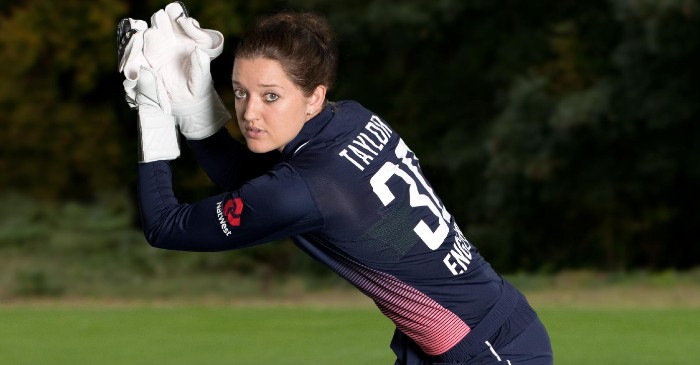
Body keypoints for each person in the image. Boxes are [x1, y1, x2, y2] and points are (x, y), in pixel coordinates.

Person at [118, 3, 553, 364]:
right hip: (483, 331)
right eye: (239, 91)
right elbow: (258, 189)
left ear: (314, 96)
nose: (250, 113)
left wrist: (154, 112)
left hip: (491, 350)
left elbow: (164, 225)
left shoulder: (303, 190)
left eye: (271, 96)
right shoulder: (353, 118)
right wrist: (196, 109)